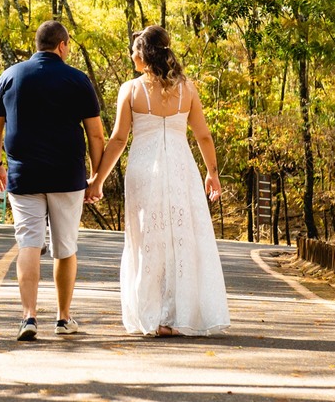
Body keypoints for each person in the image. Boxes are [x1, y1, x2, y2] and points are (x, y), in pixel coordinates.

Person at [87, 25, 230, 337]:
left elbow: (118, 140)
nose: (131, 55)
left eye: (134, 50)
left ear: (144, 54)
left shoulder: (132, 90)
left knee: (146, 239)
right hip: (181, 167)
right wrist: (212, 173)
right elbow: (203, 135)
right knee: (182, 238)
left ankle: (152, 315)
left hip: (144, 169)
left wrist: (97, 180)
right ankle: (179, 316)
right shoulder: (187, 89)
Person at [0, 20, 105, 341]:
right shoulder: (77, 79)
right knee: (65, 246)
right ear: (62, 45)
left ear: (37, 44)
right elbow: (95, 133)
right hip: (67, 176)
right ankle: (64, 319)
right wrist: (96, 176)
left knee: (29, 243)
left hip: (23, 176)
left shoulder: (10, 76)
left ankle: (28, 318)